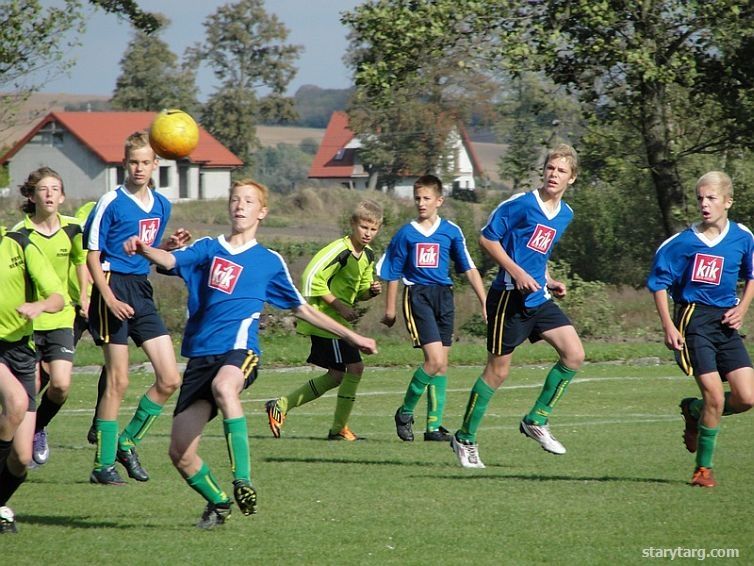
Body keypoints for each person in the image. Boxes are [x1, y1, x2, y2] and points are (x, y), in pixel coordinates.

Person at [124, 179, 378, 528]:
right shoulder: (208, 248)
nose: (239, 205)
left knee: (226, 388)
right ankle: (219, 502)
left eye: (248, 201)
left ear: (262, 212)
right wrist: (144, 248)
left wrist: (353, 336)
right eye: (234, 199)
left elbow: (304, 309)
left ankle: (242, 479)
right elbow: (168, 259)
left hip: (240, 351)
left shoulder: (268, 261)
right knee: (180, 453)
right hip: (201, 357)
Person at [450, 144, 585, 469]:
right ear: (543, 171)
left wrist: (548, 279)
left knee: (574, 354)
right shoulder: (522, 204)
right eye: (550, 168)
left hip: (538, 297)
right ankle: (464, 438)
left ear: (572, 178)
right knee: (498, 371)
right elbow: (487, 238)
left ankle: (536, 419)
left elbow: (537, 253)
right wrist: (517, 272)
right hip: (508, 298)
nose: (554, 175)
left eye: (561, 171)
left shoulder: (565, 214)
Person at [85, 130, 190, 485]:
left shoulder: (162, 205)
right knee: (119, 380)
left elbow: (149, 252)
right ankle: (102, 466)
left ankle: (127, 442)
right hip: (111, 290)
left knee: (170, 377)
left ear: (155, 164)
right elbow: (93, 256)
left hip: (141, 290)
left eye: (146, 162)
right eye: (134, 162)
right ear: (124, 163)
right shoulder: (109, 202)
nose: (140, 168)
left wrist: (167, 246)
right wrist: (109, 299)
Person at [647, 171, 754, 488]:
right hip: (693, 320)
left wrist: (743, 308)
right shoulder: (680, 243)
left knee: (747, 398)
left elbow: (752, 274)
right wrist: (668, 325)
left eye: (711, 198)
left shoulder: (743, 237)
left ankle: (693, 411)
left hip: (725, 323)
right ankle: (703, 470)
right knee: (715, 398)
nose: (704, 205)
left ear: (728, 201)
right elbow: (658, 284)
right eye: (700, 199)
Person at [377, 174, 486, 442]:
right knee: (434, 361)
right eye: (417, 198)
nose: (421, 203)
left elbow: (468, 268)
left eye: (426, 198)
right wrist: (390, 310)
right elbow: (392, 271)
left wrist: (485, 301)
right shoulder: (406, 233)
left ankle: (433, 428)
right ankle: (404, 412)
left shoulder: (451, 231)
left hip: (444, 297)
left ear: (439, 200)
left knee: (442, 365)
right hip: (418, 296)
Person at [265, 200, 383, 441]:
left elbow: (360, 290)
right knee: (354, 369)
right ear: (353, 224)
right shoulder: (339, 250)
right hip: (325, 322)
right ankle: (337, 428)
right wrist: (338, 305)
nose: (368, 233)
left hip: (339, 324)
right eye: (364, 227)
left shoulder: (368, 255)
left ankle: (282, 405)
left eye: (373, 229)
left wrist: (370, 292)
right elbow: (312, 278)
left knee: (337, 375)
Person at [11, 168, 88, 468]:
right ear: (31, 196)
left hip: (61, 317)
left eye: (55, 188)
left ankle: (38, 428)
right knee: (31, 385)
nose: (49, 194)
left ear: (63, 195)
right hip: (29, 322)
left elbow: (81, 261)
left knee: (61, 385)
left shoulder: (72, 229)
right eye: (43, 189)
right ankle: (19, 439)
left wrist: (84, 295)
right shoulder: (20, 233)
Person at [0, 225, 65, 533]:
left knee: (22, 457)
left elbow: (57, 297)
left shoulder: (19, 244)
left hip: (22, 353)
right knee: (15, 402)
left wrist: (39, 306)